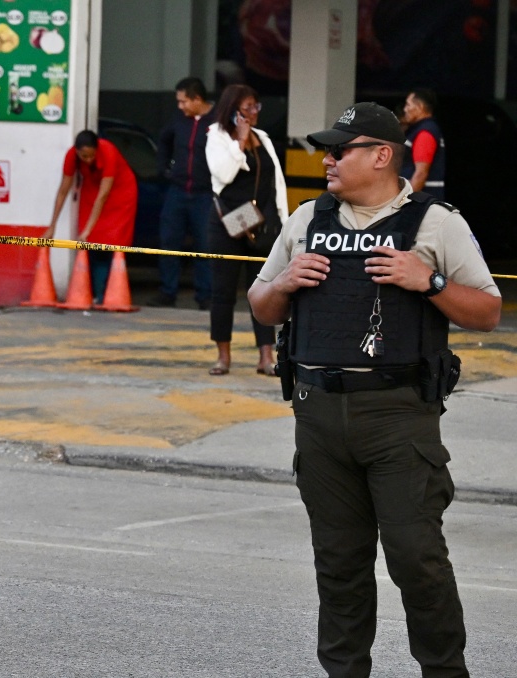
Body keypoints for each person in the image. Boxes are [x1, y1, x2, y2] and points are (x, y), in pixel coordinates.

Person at [248, 101, 501, 678]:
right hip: (317, 412)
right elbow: (261, 305)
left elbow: (487, 312)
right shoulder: (307, 219)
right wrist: (284, 283)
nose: (327, 160)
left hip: (397, 416)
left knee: (417, 561)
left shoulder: (435, 223)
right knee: (339, 565)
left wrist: (429, 280)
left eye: (340, 150)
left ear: (382, 155)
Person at [205, 84, 287, 376]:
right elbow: (223, 175)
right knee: (223, 292)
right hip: (228, 223)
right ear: (233, 110)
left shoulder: (262, 138)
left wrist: (283, 217)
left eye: (256, 107)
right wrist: (239, 142)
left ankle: (266, 356)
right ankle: (223, 356)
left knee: (263, 290)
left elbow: (277, 181)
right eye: (248, 108)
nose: (253, 113)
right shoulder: (216, 137)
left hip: (260, 224)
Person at [46, 130, 138, 302]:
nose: (87, 160)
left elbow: (104, 195)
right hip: (91, 191)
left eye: (90, 156)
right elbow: (63, 191)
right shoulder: (71, 156)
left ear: (97, 149)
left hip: (119, 192)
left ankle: (107, 295)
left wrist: (88, 228)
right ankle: (97, 293)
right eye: (83, 156)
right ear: (77, 151)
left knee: (111, 243)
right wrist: (52, 226)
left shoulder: (108, 151)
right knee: (92, 243)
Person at [151, 76, 215, 309]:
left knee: (205, 246)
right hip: (177, 192)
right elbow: (164, 141)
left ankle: (205, 296)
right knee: (168, 242)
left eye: (183, 101)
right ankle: (167, 292)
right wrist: (164, 168)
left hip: (205, 195)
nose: (180, 106)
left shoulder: (217, 121)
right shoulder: (179, 121)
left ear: (197, 99)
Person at [400, 88, 445, 200]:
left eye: (408, 105)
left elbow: (420, 175)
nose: (405, 109)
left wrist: (403, 202)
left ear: (420, 107)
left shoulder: (425, 132)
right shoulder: (419, 129)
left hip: (421, 205)